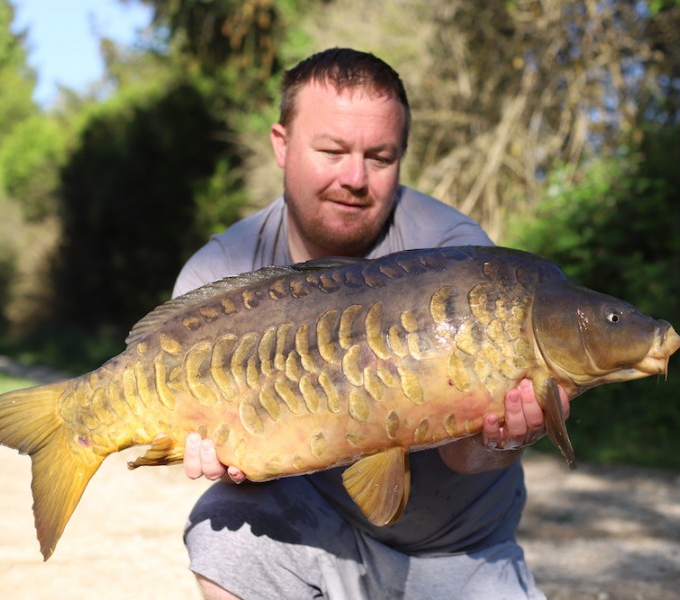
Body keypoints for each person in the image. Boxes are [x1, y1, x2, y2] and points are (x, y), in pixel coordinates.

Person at [174, 48, 570, 600]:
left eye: (380, 157)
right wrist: (223, 452)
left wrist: (502, 440)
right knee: (225, 532)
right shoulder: (221, 272)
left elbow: (463, 456)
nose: (355, 178)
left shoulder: (461, 259)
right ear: (281, 145)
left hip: (458, 550)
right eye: (332, 151)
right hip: (316, 534)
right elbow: (211, 438)